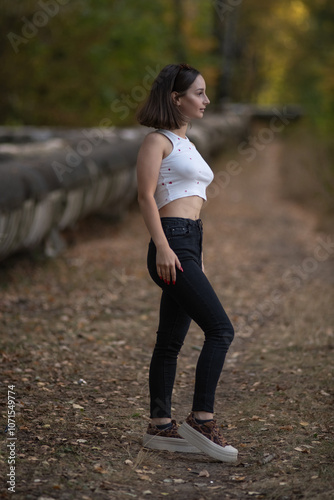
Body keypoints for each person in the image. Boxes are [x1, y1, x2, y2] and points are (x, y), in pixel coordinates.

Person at [136, 63, 237, 463]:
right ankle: (201, 419)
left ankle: (160, 426)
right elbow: (145, 197)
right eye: (199, 93)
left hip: (190, 241)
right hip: (171, 239)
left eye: (206, 92)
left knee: (170, 340)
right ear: (175, 98)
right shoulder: (156, 141)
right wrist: (162, 246)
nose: (206, 100)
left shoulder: (187, 142)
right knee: (220, 329)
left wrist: (190, 252)